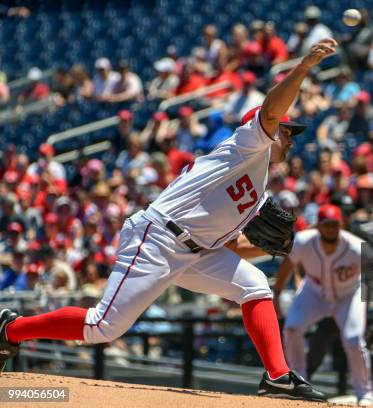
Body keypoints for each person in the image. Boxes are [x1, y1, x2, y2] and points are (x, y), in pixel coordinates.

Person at [0, 38, 339, 401]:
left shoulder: (258, 185)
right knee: (103, 326)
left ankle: (278, 376)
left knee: (255, 284)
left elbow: (229, 243)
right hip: (158, 237)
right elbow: (271, 111)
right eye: (288, 132)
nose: (290, 140)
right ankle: (11, 329)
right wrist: (302, 68)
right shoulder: (245, 145)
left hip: (196, 250)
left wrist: (279, 249)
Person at [273, 204, 373, 405]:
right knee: (292, 328)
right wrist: (277, 293)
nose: (331, 228)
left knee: (354, 340)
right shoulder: (303, 241)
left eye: (335, 224)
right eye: (327, 224)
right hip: (315, 291)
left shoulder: (355, 246)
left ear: (342, 224)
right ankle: (299, 382)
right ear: (318, 226)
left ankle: (365, 393)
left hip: (349, 294)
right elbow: (287, 265)